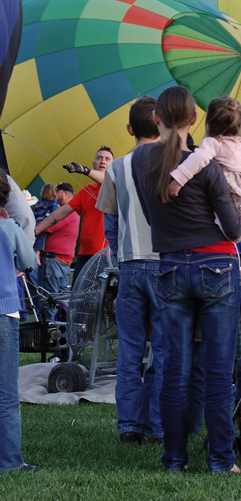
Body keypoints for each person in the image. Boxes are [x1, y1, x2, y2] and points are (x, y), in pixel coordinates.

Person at [131, 86, 241, 474]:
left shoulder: (138, 160)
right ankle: (221, 459)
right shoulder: (209, 166)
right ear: (194, 121)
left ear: (156, 119)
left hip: (170, 267)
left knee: (174, 370)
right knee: (217, 369)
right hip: (217, 266)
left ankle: (174, 459)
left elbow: (150, 215)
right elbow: (232, 229)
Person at [96, 96, 164, 445]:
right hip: (165, 265)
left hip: (130, 266)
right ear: (162, 123)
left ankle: (129, 428)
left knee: (130, 351)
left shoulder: (116, 167)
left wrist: (119, 251)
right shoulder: (175, 164)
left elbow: (110, 222)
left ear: (129, 129)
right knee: (165, 350)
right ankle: (156, 425)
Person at [168, 95, 241, 238]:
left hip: (227, 188)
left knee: (219, 211)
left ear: (208, 123)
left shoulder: (213, 142)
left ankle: (235, 232)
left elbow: (198, 158)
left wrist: (178, 180)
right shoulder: (239, 145)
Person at [0, 169, 38, 473]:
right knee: (6, 395)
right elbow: (28, 262)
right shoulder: (8, 226)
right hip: (4, 314)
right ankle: (10, 462)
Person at [35, 148, 113, 287]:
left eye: (107, 159)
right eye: (100, 158)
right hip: (84, 256)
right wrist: (36, 230)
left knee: (102, 301)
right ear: (94, 163)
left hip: (108, 256)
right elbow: (61, 212)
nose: (103, 161)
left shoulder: (116, 185)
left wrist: (83, 170)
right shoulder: (86, 191)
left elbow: (108, 179)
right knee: (78, 300)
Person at [37, 182, 79, 317]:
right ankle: (59, 329)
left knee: (50, 297)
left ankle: (49, 328)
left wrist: (36, 224)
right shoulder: (74, 211)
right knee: (61, 297)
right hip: (63, 261)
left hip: (54, 260)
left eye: (58, 192)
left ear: (65, 193)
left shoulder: (66, 211)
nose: (55, 195)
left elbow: (47, 226)